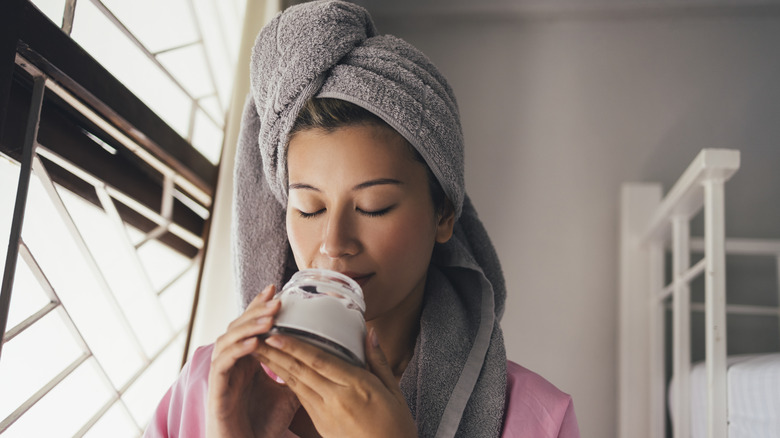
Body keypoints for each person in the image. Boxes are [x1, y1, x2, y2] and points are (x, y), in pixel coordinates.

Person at [145, 1, 579, 437]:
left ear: (443, 213)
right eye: (309, 209)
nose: (334, 243)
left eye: (375, 206)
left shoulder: (534, 417)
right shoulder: (208, 385)